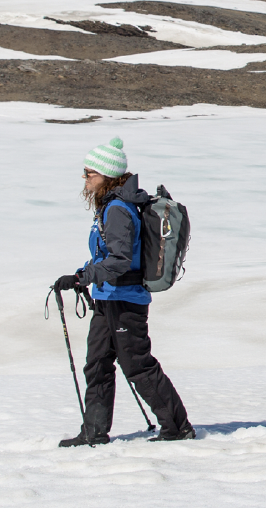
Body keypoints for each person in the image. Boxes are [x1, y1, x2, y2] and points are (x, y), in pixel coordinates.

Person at [54, 137, 194, 447]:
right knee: (97, 364)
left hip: (125, 299)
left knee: (137, 365)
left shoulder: (117, 209)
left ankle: (177, 427)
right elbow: (106, 256)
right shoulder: (110, 205)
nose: (85, 177)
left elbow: (118, 261)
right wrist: (81, 275)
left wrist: (83, 277)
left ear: (107, 175)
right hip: (108, 299)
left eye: (90, 172)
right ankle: (94, 430)